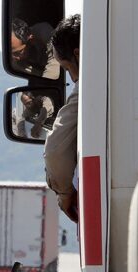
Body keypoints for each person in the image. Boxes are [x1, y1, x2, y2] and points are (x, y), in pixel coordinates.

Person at [44, 14, 81, 223]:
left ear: (79, 54)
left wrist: (65, 194)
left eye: (67, 68)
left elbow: (55, 151)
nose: (72, 77)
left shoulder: (86, 88)